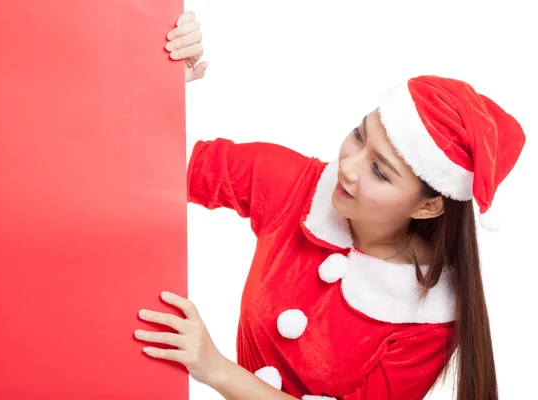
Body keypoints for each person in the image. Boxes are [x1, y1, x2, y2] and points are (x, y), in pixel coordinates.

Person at [133, 11, 526, 400]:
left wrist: (215, 368)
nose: (348, 167)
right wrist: (161, 78)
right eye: (359, 135)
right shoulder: (297, 188)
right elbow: (152, 161)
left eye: (380, 171)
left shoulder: (431, 318)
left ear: (428, 208)